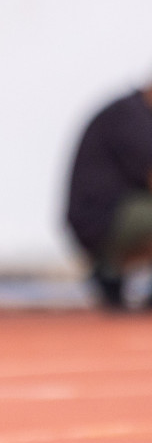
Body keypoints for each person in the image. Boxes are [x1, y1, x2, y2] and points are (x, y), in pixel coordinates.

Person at [65, 82, 152, 310]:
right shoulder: (132, 118)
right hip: (101, 218)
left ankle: (110, 271)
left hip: (105, 216)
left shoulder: (133, 112)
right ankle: (110, 268)